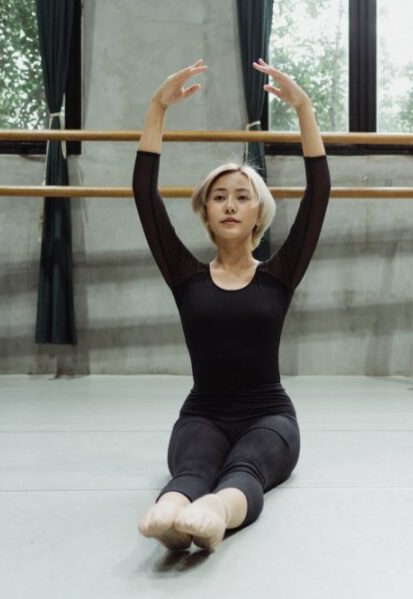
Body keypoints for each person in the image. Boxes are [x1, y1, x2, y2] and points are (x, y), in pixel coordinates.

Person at [133, 59, 330, 551]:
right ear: (205, 211)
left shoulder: (279, 276)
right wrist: (158, 108)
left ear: (258, 212)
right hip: (202, 413)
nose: (229, 204)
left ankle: (216, 514)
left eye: (242, 196)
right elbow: (143, 194)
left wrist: (304, 108)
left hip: (270, 417)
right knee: (193, 468)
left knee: (246, 469)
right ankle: (173, 511)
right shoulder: (186, 276)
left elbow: (320, 193)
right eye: (219, 197)